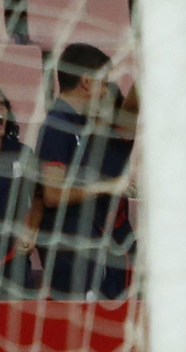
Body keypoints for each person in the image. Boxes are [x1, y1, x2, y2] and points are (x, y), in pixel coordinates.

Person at [35, 43, 134, 298]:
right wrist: (109, 186)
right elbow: (52, 195)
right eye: (104, 82)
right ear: (87, 82)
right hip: (69, 247)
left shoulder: (77, 124)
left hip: (83, 242)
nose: (106, 91)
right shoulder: (58, 125)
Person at [0, 82, 38, 293]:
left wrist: (31, 231)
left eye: (2, 104)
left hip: (12, 264)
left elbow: (40, 199)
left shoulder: (23, 155)